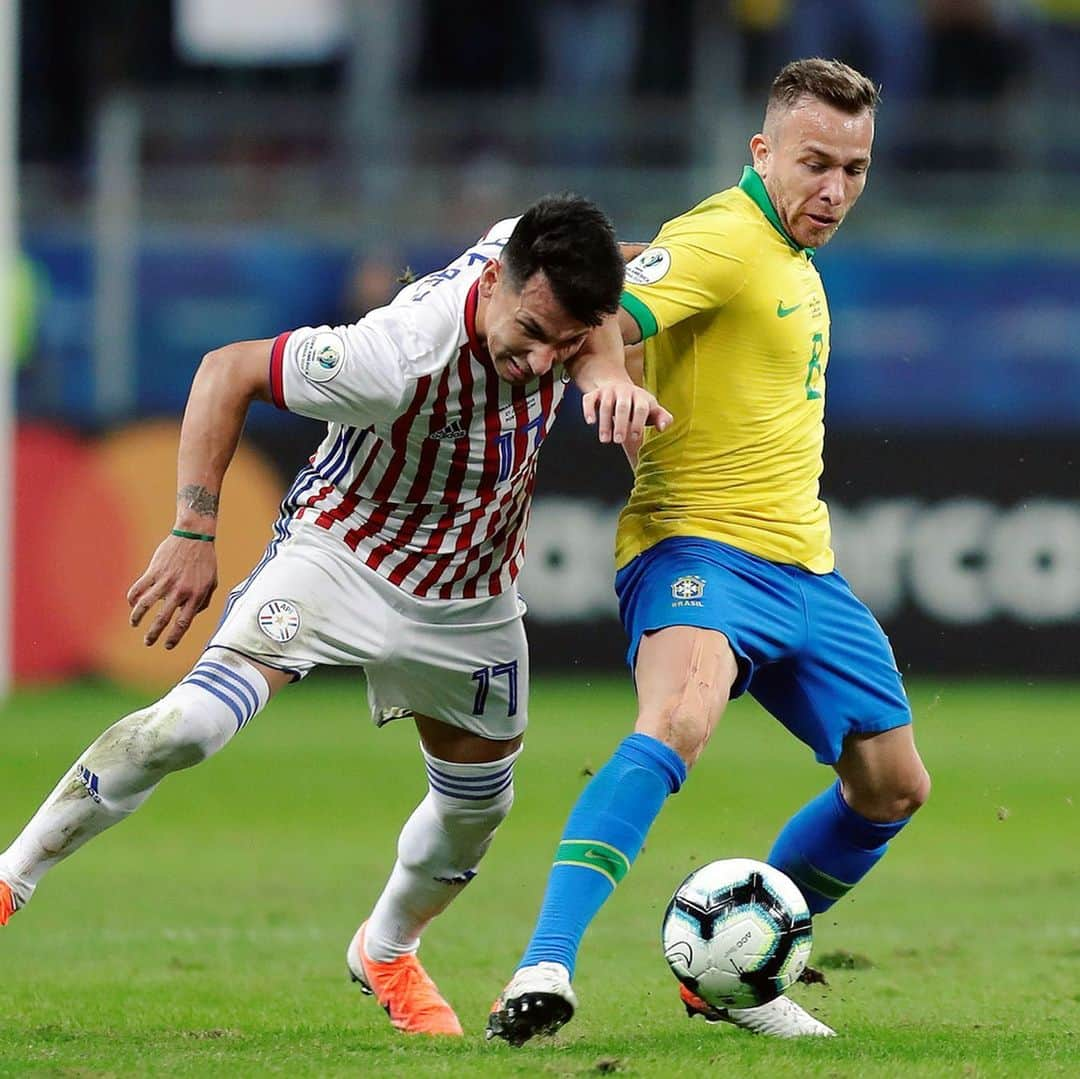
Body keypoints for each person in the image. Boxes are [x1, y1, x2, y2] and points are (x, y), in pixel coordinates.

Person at [0, 194, 671, 1038]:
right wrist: (192, 530)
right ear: (497, 283)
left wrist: (604, 362)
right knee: (187, 729)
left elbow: (646, 266)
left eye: (566, 343)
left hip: (470, 595)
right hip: (343, 557)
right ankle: (12, 875)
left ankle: (386, 949)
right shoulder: (393, 354)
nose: (542, 363)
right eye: (531, 334)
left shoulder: (553, 269)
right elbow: (226, 369)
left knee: (476, 814)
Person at [487, 59, 931, 1045]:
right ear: (761, 151)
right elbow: (606, 303)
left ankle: (732, 971)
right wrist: (608, 377)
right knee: (680, 714)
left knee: (892, 785)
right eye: (815, 163)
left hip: (804, 568)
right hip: (697, 546)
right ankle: (544, 961)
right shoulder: (725, 238)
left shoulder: (791, 258)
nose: (835, 189)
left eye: (855, 169)